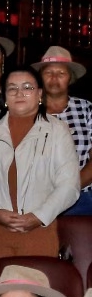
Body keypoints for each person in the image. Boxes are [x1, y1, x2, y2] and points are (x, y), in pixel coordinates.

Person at [0, 67, 80, 263]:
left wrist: (38, 216)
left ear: (39, 94)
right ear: (4, 96)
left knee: (35, 290)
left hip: (40, 229)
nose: (19, 93)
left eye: (27, 87)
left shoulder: (57, 130)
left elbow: (69, 186)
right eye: (12, 88)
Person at [36, 47, 92, 216]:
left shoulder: (87, 108)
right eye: (49, 73)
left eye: (61, 73)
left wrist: (67, 190)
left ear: (70, 78)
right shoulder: (27, 109)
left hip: (82, 196)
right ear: (41, 77)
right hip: (38, 196)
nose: (54, 78)